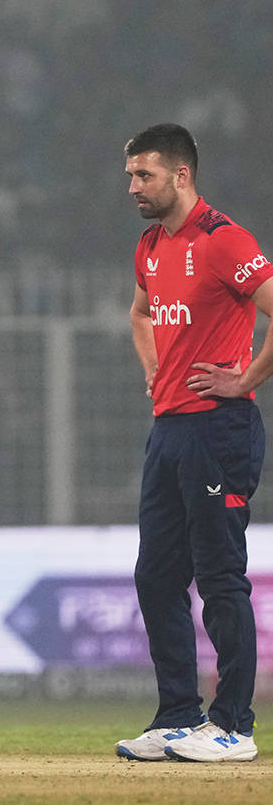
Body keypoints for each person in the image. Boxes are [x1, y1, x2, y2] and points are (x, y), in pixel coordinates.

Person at [116, 123, 273, 763]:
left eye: (143, 175)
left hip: (219, 428)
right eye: (130, 175)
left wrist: (245, 381)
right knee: (156, 575)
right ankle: (177, 715)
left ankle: (234, 726)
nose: (133, 187)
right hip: (171, 428)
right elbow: (139, 312)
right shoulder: (150, 244)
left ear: (181, 175)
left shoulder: (223, 240)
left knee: (219, 575)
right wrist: (155, 368)